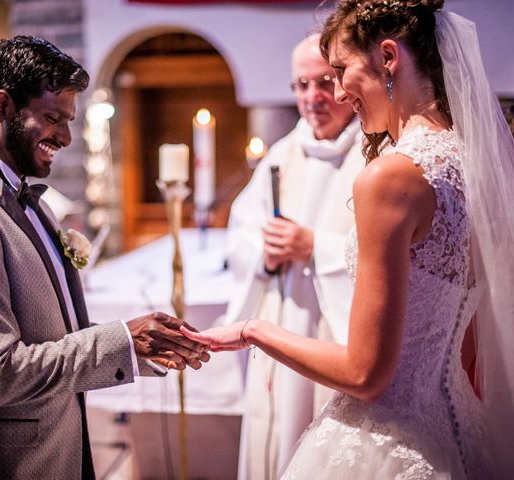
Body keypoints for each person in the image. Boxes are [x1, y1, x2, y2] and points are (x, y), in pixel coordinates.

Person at [184, 0, 514, 478]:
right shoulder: (474, 163)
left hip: (390, 441)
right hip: (458, 431)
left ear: (387, 57)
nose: (337, 93)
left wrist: (252, 330)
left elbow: (366, 375)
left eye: (339, 72)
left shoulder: (389, 178)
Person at [0, 36, 208, 480]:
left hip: (56, 449)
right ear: (2, 108)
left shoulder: (32, 200)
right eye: (53, 118)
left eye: (68, 121)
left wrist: (143, 348)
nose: (66, 137)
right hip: (4, 466)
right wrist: (121, 341)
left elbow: (53, 334)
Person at [225, 34, 362, 479]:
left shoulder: (373, 154)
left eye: (324, 82)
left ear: (345, 83)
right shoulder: (283, 154)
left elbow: (398, 258)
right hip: (285, 323)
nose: (312, 98)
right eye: (301, 85)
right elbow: (242, 235)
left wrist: (313, 248)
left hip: (335, 333)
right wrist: (264, 255)